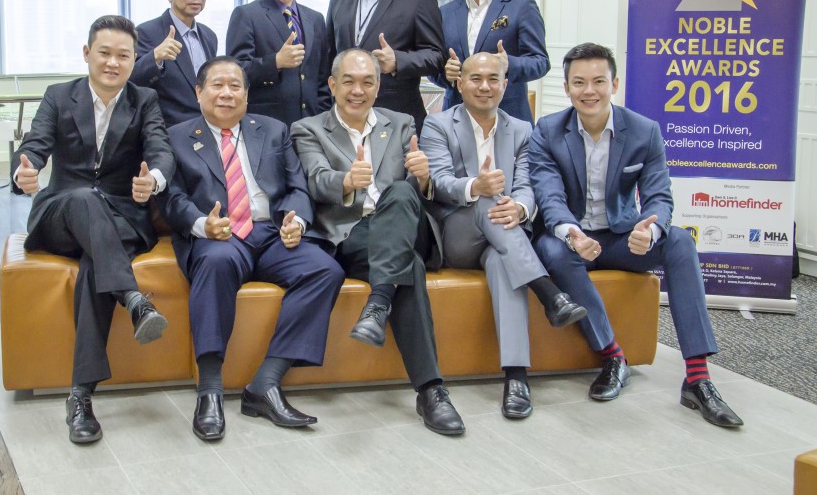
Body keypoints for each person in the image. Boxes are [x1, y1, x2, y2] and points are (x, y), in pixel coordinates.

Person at [529, 43, 743, 428]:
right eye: (579, 82)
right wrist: (571, 232)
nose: (588, 90)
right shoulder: (548, 130)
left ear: (615, 83)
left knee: (679, 240)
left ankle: (697, 378)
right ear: (566, 87)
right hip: (574, 240)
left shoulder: (645, 131)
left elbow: (659, 194)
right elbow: (548, 193)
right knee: (550, 248)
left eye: (598, 81)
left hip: (622, 238)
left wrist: (651, 226)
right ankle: (613, 357)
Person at [160, 56, 345, 441]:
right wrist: (201, 224)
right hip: (220, 233)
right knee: (216, 263)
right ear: (199, 93)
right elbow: (173, 199)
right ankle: (210, 390)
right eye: (217, 85)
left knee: (324, 270)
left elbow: (297, 186)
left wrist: (296, 220)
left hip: (271, 232)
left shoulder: (274, 130)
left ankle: (266, 382)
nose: (227, 93)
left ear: (246, 94)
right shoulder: (176, 136)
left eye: (235, 86)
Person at [11, 15, 175, 444]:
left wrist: (153, 179)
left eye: (123, 55)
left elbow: (161, 149)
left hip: (120, 219)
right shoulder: (59, 96)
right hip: (62, 214)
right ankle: (134, 298)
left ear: (134, 59)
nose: (113, 63)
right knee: (85, 199)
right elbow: (35, 145)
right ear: (87, 54)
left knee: (94, 268)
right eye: (104, 53)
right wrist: (24, 172)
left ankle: (80, 396)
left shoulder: (145, 100)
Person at [291, 49, 466, 436]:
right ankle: (431, 391)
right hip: (352, 236)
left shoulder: (402, 122)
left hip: (404, 224)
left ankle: (378, 304)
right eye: (349, 82)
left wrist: (423, 179)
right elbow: (316, 179)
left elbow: (423, 189)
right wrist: (346, 182)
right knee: (410, 266)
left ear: (379, 85)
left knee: (403, 193)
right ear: (332, 85)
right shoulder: (308, 128)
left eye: (368, 81)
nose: (358, 90)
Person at [420, 51, 586, 419]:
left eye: (493, 79)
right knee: (485, 201)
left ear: (506, 84)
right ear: (459, 83)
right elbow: (440, 182)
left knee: (503, 263)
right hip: (456, 235)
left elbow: (528, 184)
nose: (485, 86)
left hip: (504, 236)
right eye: (475, 78)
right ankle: (550, 292)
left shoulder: (523, 130)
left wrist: (522, 209)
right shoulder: (437, 125)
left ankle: (516, 378)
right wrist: (475, 185)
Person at [326, 0, 447, 133]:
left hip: (396, 118)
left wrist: (398, 61)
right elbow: (330, 56)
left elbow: (436, 56)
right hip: (345, 119)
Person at [435, 0, 549, 124]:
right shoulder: (445, 12)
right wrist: (445, 74)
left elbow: (540, 62)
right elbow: (434, 65)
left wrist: (508, 64)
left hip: (507, 117)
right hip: (456, 118)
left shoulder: (522, 7)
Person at [227, 0, 331, 125]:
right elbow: (235, 72)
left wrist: (322, 117)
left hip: (312, 125)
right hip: (266, 124)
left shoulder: (315, 18)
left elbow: (322, 78)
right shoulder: (247, 14)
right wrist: (275, 62)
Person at [133, 0, 218, 126]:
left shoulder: (209, 36)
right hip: (168, 130)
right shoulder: (147, 32)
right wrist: (155, 57)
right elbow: (130, 82)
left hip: (208, 127)